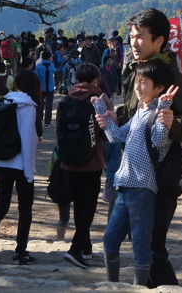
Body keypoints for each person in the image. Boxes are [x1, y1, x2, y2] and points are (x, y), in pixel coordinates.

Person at [117, 8, 182, 289]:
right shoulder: (134, 73)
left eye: (140, 37)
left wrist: (171, 122)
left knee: (152, 246)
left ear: (159, 41)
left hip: (160, 173)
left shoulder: (170, 78)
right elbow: (134, 118)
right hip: (136, 175)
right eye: (131, 36)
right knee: (142, 244)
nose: (134, 43)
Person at [95, 60, 179, 286]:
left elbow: (160, 142)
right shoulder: (139, 112)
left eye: (144, 83)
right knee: (110, 241)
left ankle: (137, 289)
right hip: (123, 187)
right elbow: (117, 136)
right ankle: (113, 286)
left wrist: (164, 110)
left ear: (159, 88)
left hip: (143, 189)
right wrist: (103, 115)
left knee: (141, 246)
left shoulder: (158, 112)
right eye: (136, 82)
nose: (138, 87)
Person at [0, 69, 42, 265]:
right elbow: (28, 140)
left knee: (0, 207)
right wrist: (30, 172)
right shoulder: (29, 107)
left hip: (3, 160)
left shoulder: (5, 102)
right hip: (21, 164)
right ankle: (20, 252)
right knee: (25, 209)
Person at [57, 62, 106, 269]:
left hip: (69, 162)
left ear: (76, 79)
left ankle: (86, 249)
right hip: (92, 161)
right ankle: (76, 249)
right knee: (89, 207)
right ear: (96, 80)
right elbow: (106, 131)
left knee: (78, 205)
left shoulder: (65, 101)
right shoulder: (99, 100)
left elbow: (59, 132)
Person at [34, 49, 56, 127]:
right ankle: (47, 123)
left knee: (40, 104)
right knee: (49, 105)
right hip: (50, 88)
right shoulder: (52, 65)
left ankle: (39, 120)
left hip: (41, 88)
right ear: (49, 57)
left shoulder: (38, 67)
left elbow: (36, 77)